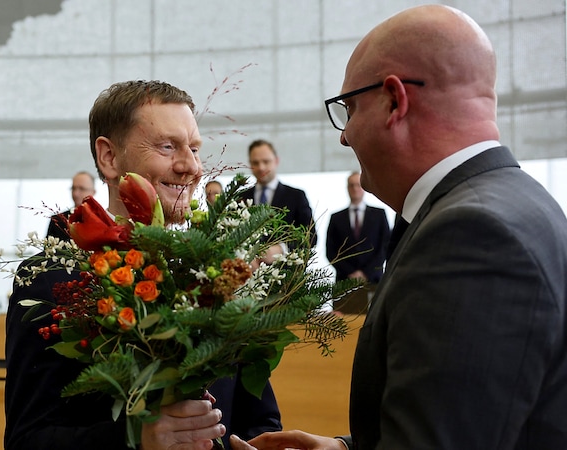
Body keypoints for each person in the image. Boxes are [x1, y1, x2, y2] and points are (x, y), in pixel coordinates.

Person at [232, 4, 567, 450]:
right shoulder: (517, 199)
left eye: (349, 108)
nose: (344, 135)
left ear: (394, 100)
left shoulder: (470, 234)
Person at [6, 80, 282, 450]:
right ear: (109, 157)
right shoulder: (53, 279)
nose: (191, 167)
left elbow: (259, 419)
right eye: (167, 147)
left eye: (195, 148)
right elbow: (28, 440)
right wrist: (135, 440)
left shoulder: (219, 272)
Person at [241, 139, 316, 264]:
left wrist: (281, 248)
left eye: (266, 161)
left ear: (276, 161)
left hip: (286, 275)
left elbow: (311, 237)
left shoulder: (296, 196)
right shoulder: (240, 198)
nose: (261, 167)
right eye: (255, 162)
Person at [325, 171, 389, 284]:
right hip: (344, 280)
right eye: (351, 185)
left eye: (358, 185)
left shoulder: (379, 214)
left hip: (373, 279)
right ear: (347, 188)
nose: (355, 188)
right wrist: (351, 273)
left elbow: (384, 246)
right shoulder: (336, 218)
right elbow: (331, 251)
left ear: (364, 187)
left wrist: (366, 273)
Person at [45, 170, 97, 241]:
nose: (76, 193)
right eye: (73, 188)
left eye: (81, 189)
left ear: (93, 192)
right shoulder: (57, 220)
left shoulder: (102, 219)